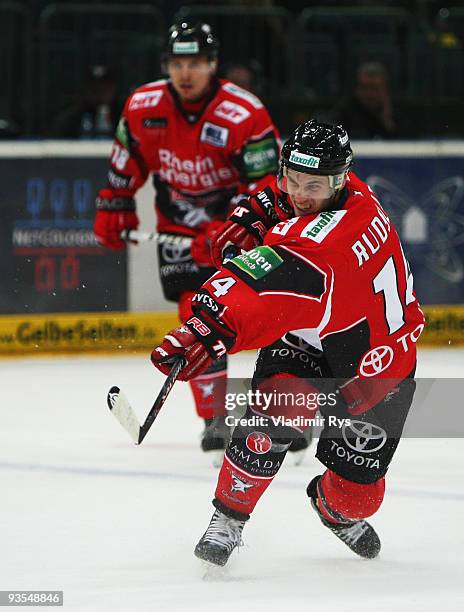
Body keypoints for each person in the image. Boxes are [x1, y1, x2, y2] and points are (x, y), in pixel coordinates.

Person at [150, 119, 425, 566]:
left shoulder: (327, 242)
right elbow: (283, 204)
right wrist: (254, 211)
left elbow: (260, 289)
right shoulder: (343, 189)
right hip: (307, 336)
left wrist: (204, 327)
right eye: (290, 179)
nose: (298, 194)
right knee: (276, 412)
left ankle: (331, 507)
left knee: (359, 499)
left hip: (374, 363)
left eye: (311, 185)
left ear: (337, 179)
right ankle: (229, 519)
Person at [93, 21, 281, 457]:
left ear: (213, 65)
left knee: (274, 319)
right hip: (179, 229)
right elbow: (127, 159)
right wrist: (115, 202)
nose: (186, 73)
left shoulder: (243, 113)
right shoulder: (144, 106)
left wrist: (231, 228)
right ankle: (216, 419)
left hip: (247, 229)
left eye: (195, 63)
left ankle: (287, 414)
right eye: (177, 63)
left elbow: (271, 184)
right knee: (196, 315)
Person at [328, 62, 397, 140]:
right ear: (356, 89)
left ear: (385, 89)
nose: (370, 93)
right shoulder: (344, 110)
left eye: (375, 88)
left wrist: (387, 120)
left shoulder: (397, 111)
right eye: (365, 87)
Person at [50, 64, 122, 139]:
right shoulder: (70, 119)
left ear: (114, 89)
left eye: (105, 88)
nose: (99, 92)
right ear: (86, 90)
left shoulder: (124, 118)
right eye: (94, 88)